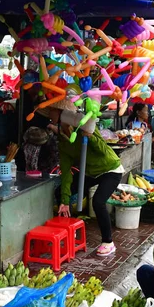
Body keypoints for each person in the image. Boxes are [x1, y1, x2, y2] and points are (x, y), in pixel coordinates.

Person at [54, 109, 123, 256]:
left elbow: (103, 150)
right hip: (90, 172)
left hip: (110, 169)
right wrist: (65, 201)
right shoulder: (63, 143)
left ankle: (108, 242)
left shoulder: (85, 125)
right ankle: (70, 229)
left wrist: (91, 137)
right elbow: (66, 174)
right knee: (61, 192)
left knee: (98, 202)